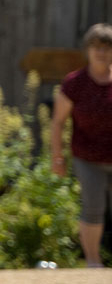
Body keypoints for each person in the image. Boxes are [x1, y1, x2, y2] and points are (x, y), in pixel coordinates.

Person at [51, 23, 112, 268]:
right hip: (87, 157)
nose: (102, 53)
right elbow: (58, 123)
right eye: (97, 47)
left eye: (107, 48)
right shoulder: (74, 83)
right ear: (88, 50)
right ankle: (93, 262)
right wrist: (58, 157)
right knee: (93, 205)